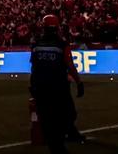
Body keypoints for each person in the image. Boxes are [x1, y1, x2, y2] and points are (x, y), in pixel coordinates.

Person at [29, 15, 85, 154]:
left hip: (41, 86)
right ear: (57, 27)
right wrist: (79, 82)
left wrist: (33, 84)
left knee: (48, 118)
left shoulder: (37, 44)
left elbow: (34, 66)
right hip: (58, 86)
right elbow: (69, 65)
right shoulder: (61, 43)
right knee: (67, 114)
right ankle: (60, 144)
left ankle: (57, 144)